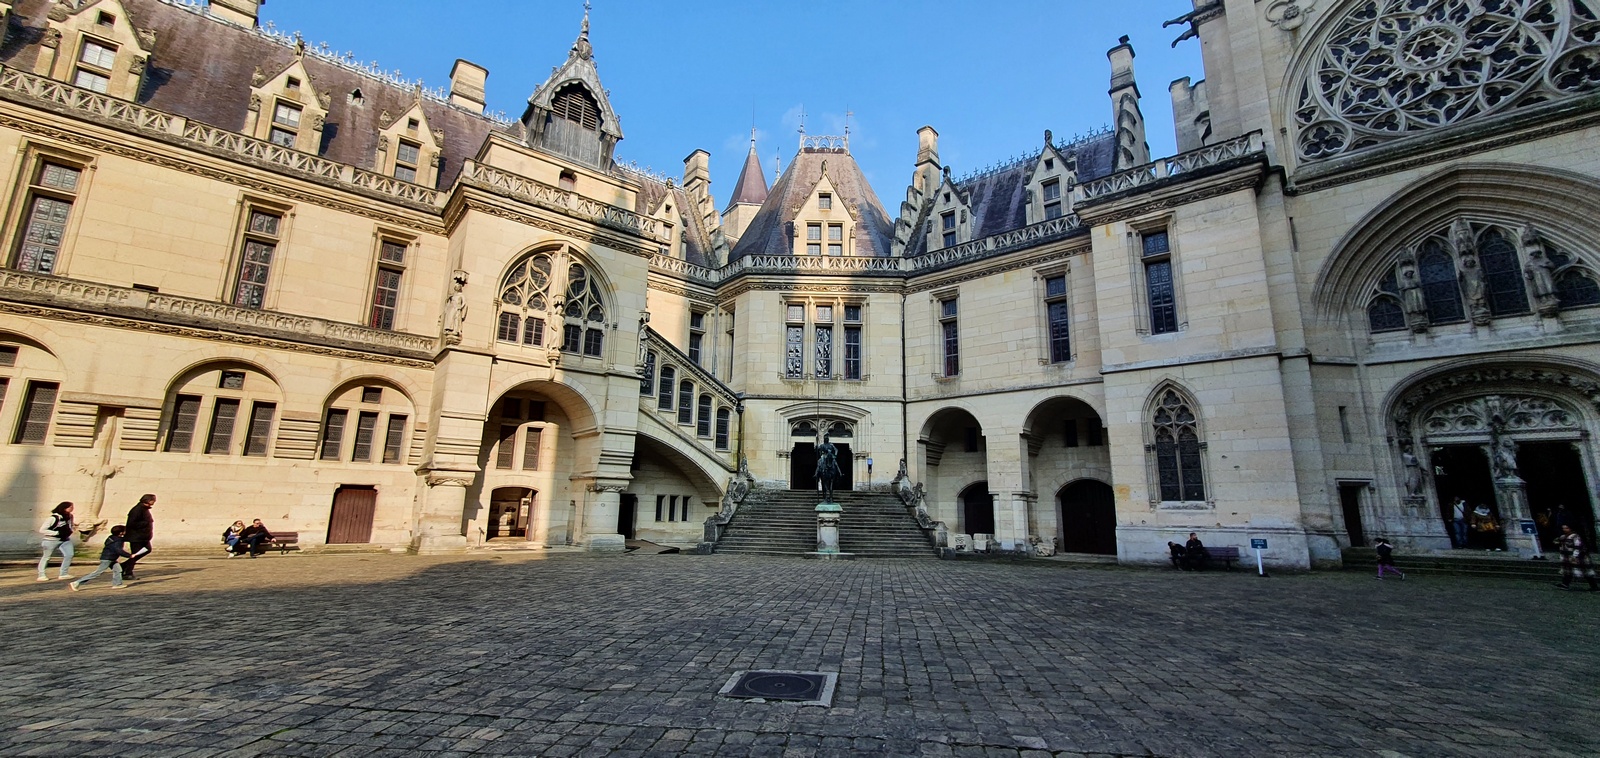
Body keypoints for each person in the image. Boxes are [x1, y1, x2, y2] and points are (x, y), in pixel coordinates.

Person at [69, 525, 131, 591]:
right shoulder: (117, 541)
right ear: (121, 533)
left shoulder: (112, 538)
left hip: (111, 558)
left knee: (118, 570)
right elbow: (119, 550)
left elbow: (123, 540)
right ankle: (77, 582)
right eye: (124, 531)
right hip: (108, 558)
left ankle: (117, 584)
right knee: (97, 573)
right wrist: (129, 555)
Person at [35, 502, 76, 582]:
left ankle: (63, 573)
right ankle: (41, 575)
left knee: (69, 554)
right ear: (64, 507)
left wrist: (69, 531)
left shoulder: (70, 516)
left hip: (65, 539)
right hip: (51, 540)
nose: (72, 508)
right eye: (70, 507)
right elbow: (42, 530)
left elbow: (70, 525)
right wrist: (56, 533)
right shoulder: (53, 518)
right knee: (46, 557)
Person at [1555, 524, 1598, 591]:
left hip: (1579, 558)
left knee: (1586, 572)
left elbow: (1578, 547)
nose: (1564, 530)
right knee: (1568, 572)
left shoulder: (1575, 536)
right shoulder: (1563, 537)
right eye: (1563, 528)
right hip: (1567, 557)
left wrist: (1575, 556)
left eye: (1566, 528)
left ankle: (1594, 586)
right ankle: (1565, 584)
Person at [123, 494, 156, 580]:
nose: (154, 502)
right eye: (153, 500)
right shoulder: (137, 509)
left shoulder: (144, 509)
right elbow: (131, 523)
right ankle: (127, 572)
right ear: (148, 500)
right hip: (136, 537)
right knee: (135, 554)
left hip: (143, 537)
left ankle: (124, 566)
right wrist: (145, 523)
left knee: (147, 550)